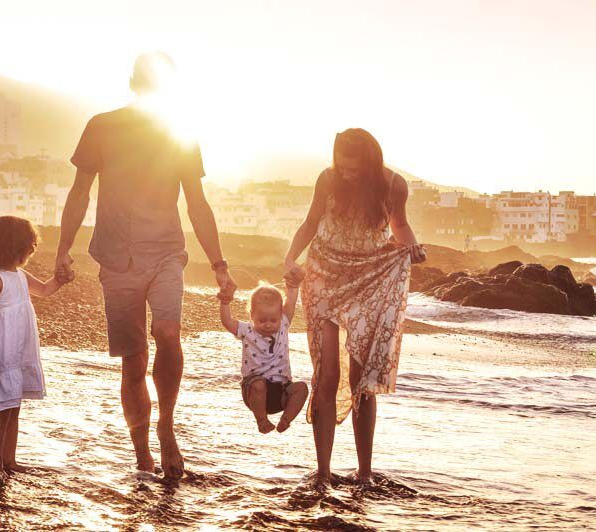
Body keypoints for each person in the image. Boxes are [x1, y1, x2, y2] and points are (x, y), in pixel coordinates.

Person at [55, 52, 236, 479]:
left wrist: (219, 265)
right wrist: (63, 248)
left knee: (168, 332)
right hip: (116, 256)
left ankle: (166, 426)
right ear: (136, 84)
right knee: (133, 361)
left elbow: (197, 204)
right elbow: (79, 192)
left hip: (166, 251)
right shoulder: (101, 126)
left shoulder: (180, 133)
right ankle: (141, 455)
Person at [283, 128, 427, 486]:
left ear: (370, 161)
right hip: (325, 275)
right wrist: (290, 257)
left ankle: (364, 474)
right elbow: (311, 223)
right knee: (327, 373)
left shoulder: (394, 186)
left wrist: (412, 247)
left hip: (369, 278)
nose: (346, 173)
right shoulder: (327, 179)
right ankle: (323, 472)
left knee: (361, 378)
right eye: (342, 166)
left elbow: (400, 225)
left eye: (354, 168)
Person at [0, 216, 71, 477]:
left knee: (14, 408)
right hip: (2, 352)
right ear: (16, 246)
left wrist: (60, 279)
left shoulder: (20, 276)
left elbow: (45, 290)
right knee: (2, 411)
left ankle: (9, 461)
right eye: (30, 244)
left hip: (19, 351)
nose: (32, 249)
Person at [218, 281, 309, 434]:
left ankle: (286, 419)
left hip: (282, 391)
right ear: (252, 315)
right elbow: (227, 321)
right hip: (254, 392)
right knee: (259, 384)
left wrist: (293, 286)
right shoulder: (246, 330)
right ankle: (262, 421)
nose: (268, 325)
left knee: (301, 388)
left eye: (273, 320)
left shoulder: (283, 324)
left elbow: (291, 302)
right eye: (261, 320)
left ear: (280, 316)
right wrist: (225, 302)